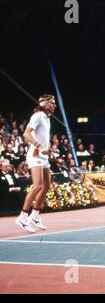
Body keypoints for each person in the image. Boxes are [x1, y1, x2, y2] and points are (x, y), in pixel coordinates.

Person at [15, 94, 56, 233]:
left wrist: (48, 149)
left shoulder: (47, 118)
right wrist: (39, 146)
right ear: (44, 104)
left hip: (44, 156)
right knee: (38, 185)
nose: (54, 105)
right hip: (35, 155)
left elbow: (43, 137)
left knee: (46, 187)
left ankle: (35, 215)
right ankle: (22, 216)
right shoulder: (37, 115)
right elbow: (26, 134)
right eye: (52, 103)